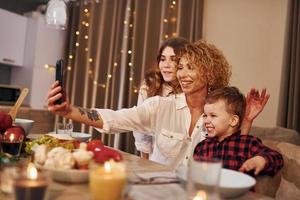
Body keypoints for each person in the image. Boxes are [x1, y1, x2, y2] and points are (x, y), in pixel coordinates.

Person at [47, 40, 268, 169]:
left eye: (191, 67)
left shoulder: (220, 114)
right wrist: (69, 110)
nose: (182, 74)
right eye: (181, 67)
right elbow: (115, 119)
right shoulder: (160, 106)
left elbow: (235, 155)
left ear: (210, 73)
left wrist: (246, 120)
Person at [193, 86, 283, 176]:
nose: (206, 121)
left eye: (213, 115)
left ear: (233, 121)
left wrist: (260, 160)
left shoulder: (247, 143)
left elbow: (277, 157)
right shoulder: (202, 147)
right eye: (205, 116)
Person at [134, 37, 189, 160]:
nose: (166, 65)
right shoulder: (150, 86)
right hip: (157, 159)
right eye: (163, 59)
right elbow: (141, 131)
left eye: (173, 60)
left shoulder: (191, 89)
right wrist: (146, 163)